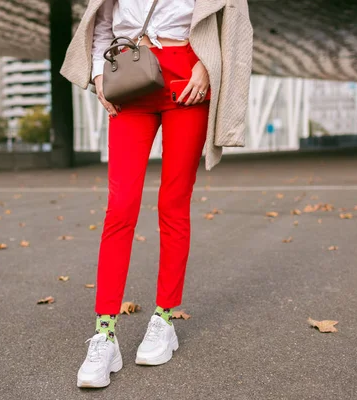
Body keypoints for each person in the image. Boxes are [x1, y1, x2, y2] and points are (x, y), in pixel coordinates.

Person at [61, 0, 253, 388]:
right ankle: (104, 335)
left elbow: (231, 29)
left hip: (187, 77)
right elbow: (101, 23)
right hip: (131, 74)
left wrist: (207, 67)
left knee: (173, 204)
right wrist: (99, 73)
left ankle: (164, 321)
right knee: (120, 206)